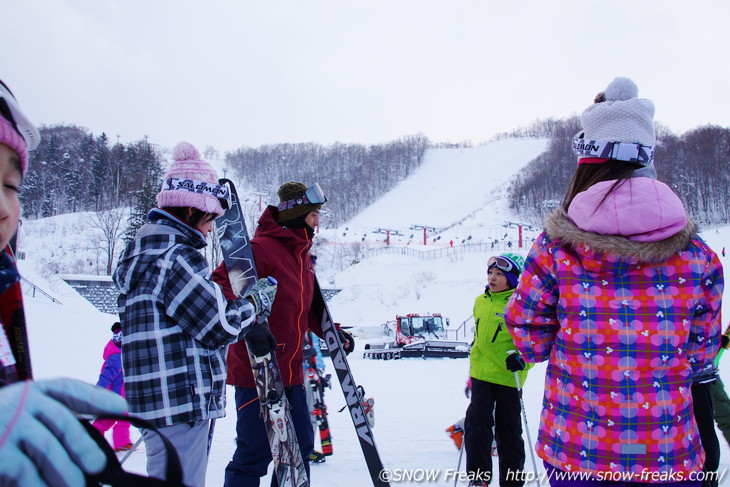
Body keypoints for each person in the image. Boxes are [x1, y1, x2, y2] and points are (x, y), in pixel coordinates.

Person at [505, 77, 723, 485]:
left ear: (587, 164)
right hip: (669, 452)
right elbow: (700, 355)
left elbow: (529, 337)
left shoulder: (556, 248)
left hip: (577, 448)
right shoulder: (699, 258)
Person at [113, 142, 277, 487]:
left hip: (154, 400)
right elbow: (220, 325)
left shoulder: (141, 253)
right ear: (190, 211)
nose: (210, 228)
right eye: (210, 217)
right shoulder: (176, 258)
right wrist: (258, 301)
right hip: (181, 401)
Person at [0, 79, 128, 487]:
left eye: (11, 186)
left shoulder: (5, 295)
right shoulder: (114, 354)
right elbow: (107, 380)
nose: (6, 208)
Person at [214, 181, 353, 487]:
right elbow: (221, 288)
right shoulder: (258, 250)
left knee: (299, 450)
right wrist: (249, 327)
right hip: (257, 373)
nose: (318, 221)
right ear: (297, 214)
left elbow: (307, 307)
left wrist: (334, 334)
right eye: (314, 214)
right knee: (255, 453)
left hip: (291, 373)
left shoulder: (301, 256)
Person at [464, 252, 532, 487]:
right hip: (482, 374)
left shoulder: (521, 305)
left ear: (512, 279)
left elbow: (532, 340)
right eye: (491, 272)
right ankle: (478, 479)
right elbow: (478, 338)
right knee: (477, 426)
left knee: (508, 432)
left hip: (507, 376)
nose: (493, 278)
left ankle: (512, 481)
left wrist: (523, 359)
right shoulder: (480, 301)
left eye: (500, 274)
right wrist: (470, 375)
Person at [91, 321, 133, 452]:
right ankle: (99, 439)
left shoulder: (121, 355)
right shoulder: (116, 357)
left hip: (120, 395)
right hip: (114, 397)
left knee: (116, 419)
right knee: (114, 419)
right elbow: (105, 376)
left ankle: (119, 442)